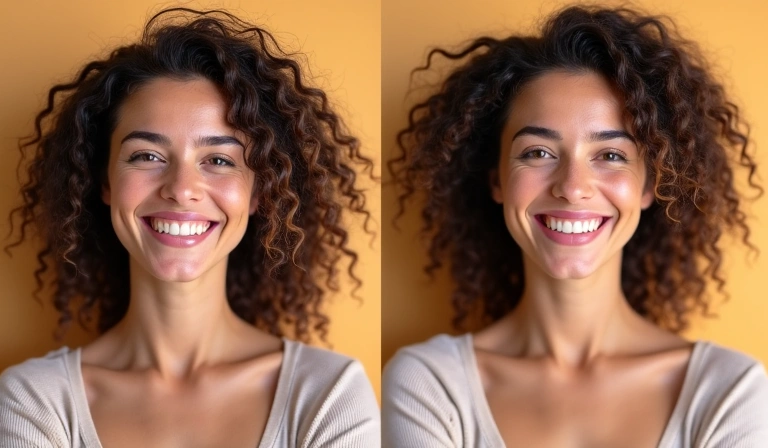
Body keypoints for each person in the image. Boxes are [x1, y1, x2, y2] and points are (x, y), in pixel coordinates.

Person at [383, 5, 768, 447]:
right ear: (497, 180)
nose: (572, 187)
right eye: (538, 153)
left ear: (649, 186)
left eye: (610, 155)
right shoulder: (428, 386)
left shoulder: (728, 390)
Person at [0, 8, 379, 447]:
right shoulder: (33, 400)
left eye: (218, 160)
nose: (182, 189)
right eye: (146, 156)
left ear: (259, 193)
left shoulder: (328, 395)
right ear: (104, 181)